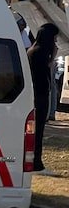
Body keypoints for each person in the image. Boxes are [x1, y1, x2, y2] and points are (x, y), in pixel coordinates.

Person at [28, 23, 60, 172]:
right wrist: (52, 57)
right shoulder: (39, 53)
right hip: (39, 96)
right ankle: (36, 162)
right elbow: (45, 75)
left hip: (36, 95)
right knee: (38, 130)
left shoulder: (33, 51)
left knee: (37, 130)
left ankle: (36, 161)